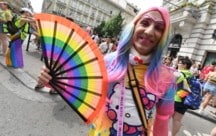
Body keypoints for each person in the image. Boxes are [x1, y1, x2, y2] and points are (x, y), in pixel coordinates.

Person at [37, 7, 176, 135]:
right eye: (145, 23)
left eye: (158, 28)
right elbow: (80, 87)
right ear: (134, 26)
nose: (149, 31)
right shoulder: (108, 61)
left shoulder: (167, 78)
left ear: (163, 37)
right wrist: (51, 80)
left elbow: (163, 119)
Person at [171, 56, 193, 136]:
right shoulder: (191, 74)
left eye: (179, 63)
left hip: (175, 98)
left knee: (165, 117)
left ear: (184, 65)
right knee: (177, 120)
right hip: (185, 100)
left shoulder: (178, 73)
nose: (178, 64)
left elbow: (169, 84)